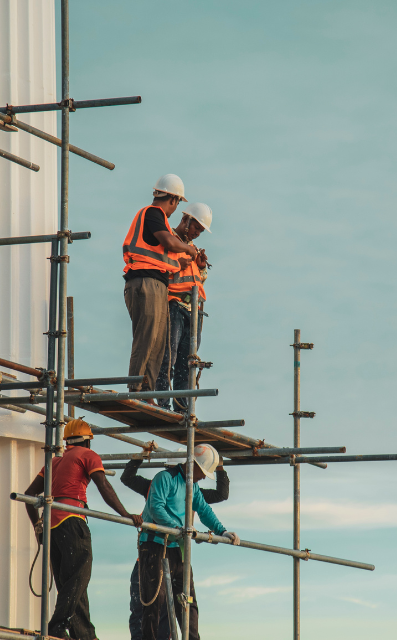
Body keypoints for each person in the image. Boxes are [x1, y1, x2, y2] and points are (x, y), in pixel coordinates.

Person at [24, 418, 144, 640]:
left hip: (52, 525)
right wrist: (125, 514)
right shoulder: (87, 455)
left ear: (67, 441)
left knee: (70, 583)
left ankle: (84, 635)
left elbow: (29, 496)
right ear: (87, 441)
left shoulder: (54, 462)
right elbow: (104, 486)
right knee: (80, 575)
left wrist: (38, 527)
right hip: (72, 519)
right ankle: (57, 625)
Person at [136, 444, 240, 640]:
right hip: (155, 545)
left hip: (178, 547)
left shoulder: (193, 486)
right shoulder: (164, 479)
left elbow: (204, 510)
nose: (203, 477)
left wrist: (222, 531)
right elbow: (156, 507)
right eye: (203, 472)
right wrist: (179, 527)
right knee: (154, 602)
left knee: (188, 602)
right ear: (193, 465)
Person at [123, 174, 199, 399]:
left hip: (155, 284)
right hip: (144, 283)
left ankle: (148, 393)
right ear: (174, 199)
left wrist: (179, 262)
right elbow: (167, 241)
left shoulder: (158, 219)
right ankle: (136, 389)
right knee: (147, 338)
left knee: (157, 343)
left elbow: (160, 254)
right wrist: (188, 249)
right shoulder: (153, 213)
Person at [155, 203, 212, 413]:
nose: (197, 233)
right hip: (174, 304)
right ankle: (162, 402)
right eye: (196, 227)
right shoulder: (168, 238)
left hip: (193, 309)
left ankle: (181, 408)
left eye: (200, 230)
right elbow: (163, 267)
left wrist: (202, 267)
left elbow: (198, 280)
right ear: (186, 219)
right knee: (167, 354)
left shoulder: (192, 248)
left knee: (186, 363)